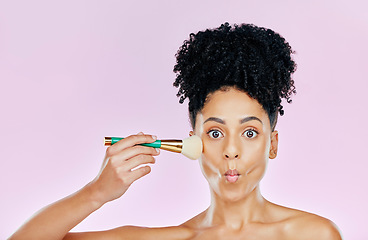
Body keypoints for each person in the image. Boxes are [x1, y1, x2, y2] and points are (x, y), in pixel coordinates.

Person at [9, 22, 342, 240]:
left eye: (250, 132)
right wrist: (96, 193)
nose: (231, 150)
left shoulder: (312, 233)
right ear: (192, 141)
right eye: (214, 132)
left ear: (273, 143)